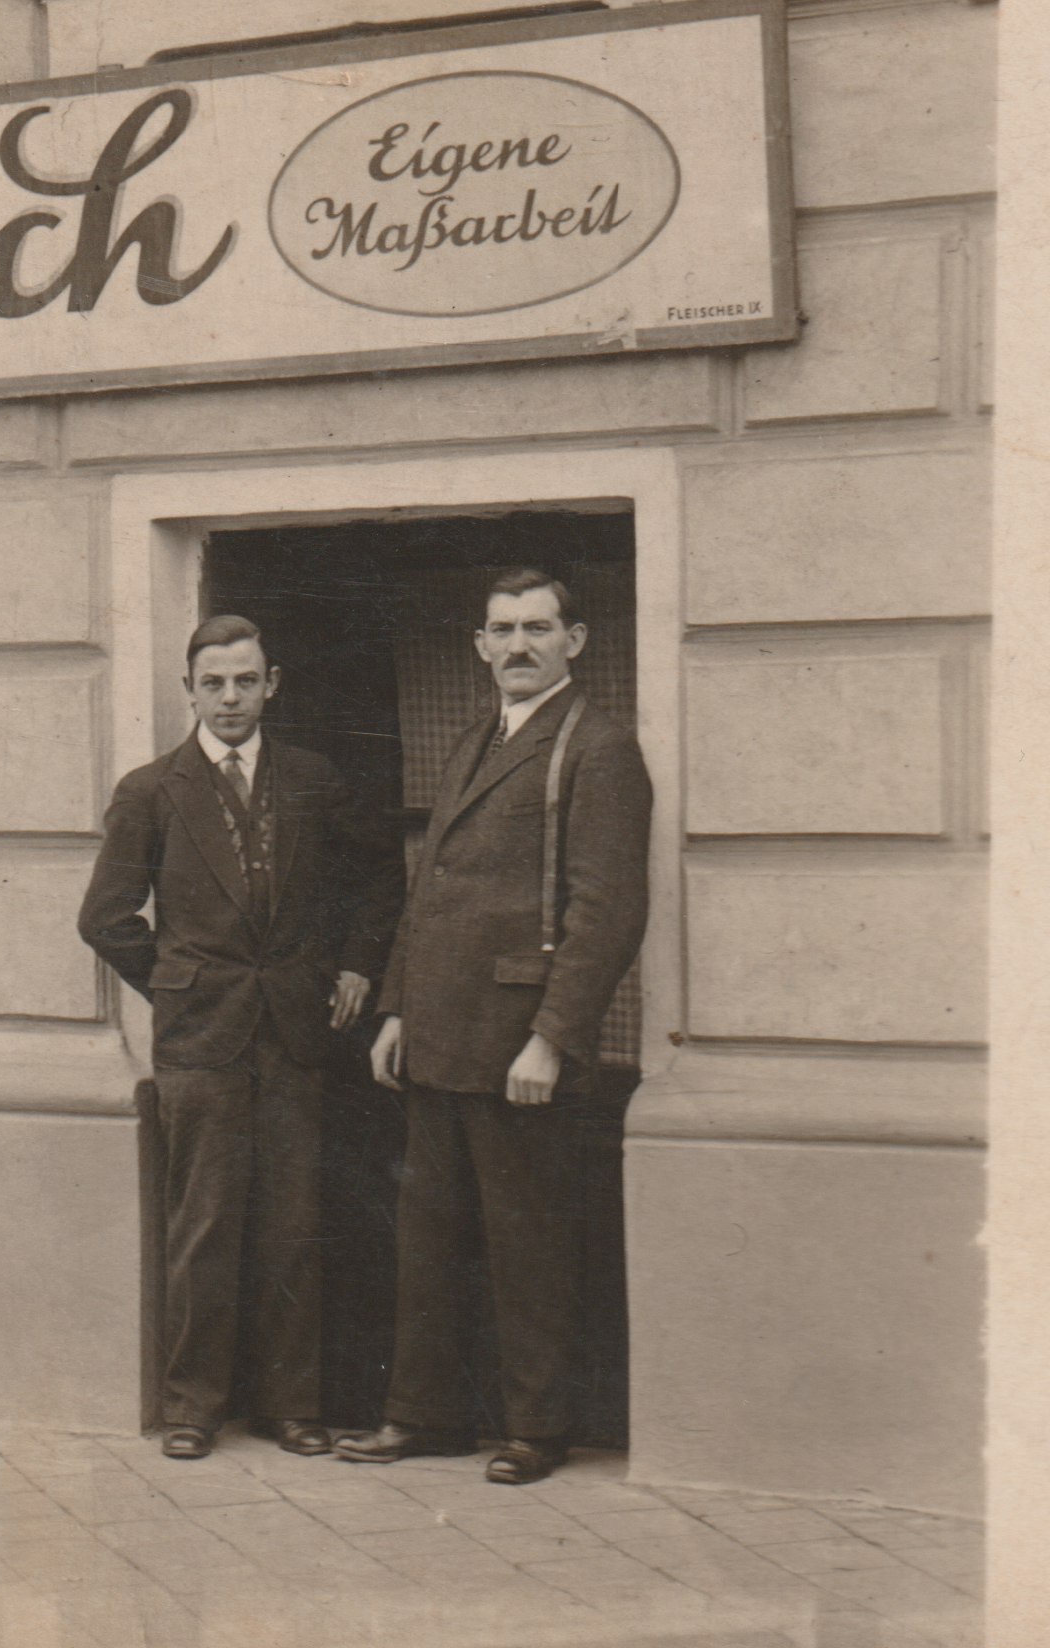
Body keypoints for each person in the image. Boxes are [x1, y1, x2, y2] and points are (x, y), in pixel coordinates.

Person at [337, 568, 652, 1485]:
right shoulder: (476, 738)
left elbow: (606, 912)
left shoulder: (598, 749)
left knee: (528, 1246)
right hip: (439, 1035)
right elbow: (430, 886)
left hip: (518, 1045)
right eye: (503, 630)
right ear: (479, 645)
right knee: (427, 1241)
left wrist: (553, 1036)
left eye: (537, 629)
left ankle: (537, 1429)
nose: (518, 646)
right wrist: (397, 1009)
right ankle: (423, 1416)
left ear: (574, 642)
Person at [80, 615, 396, 1459]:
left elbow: (378, 876)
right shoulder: (152, 790)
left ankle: (291, 1407)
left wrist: (358, 964)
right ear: (189, 691)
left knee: (294, 1227)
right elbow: (105, 917)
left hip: (295, 1034)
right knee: (205, 1227)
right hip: (201, 1045)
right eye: (214, 683)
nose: (230, 698)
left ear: (272, 685)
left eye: (245, 681)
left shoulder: (312, 780)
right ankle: (193, 1408)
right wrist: (179, 985)